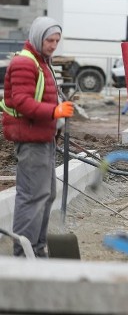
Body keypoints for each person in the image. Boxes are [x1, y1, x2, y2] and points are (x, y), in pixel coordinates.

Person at [1, 16, 74, 257]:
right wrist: (54, 111)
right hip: (31, 139)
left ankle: (37, 249)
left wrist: (59, 113)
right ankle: (24, 253)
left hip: (44, 137)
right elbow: (22, 101)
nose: (53, 45)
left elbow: (43, 95)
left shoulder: (42, 62)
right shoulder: (25, 63)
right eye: (49, 40)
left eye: (57, 40)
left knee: (46, 194)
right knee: (32, 196)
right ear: (37, 37)